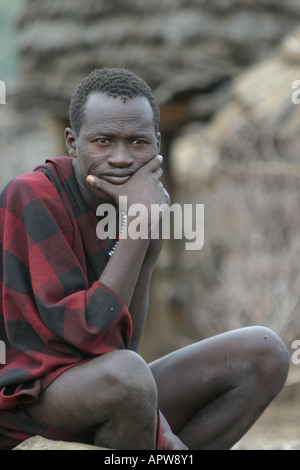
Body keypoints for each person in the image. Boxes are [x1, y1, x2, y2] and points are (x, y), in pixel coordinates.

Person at [0, 68, 289, 450]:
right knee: (128, 377)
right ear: (73, 142)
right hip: (33, 399)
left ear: (157, 145)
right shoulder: (32, 195)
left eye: (138, 142)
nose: (121, 158)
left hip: (106, 382)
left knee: (265, 351)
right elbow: (85, 334)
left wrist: (146, 234)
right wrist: (139, 227)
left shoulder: (140, 207)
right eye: (103, 141)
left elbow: (124, 342)